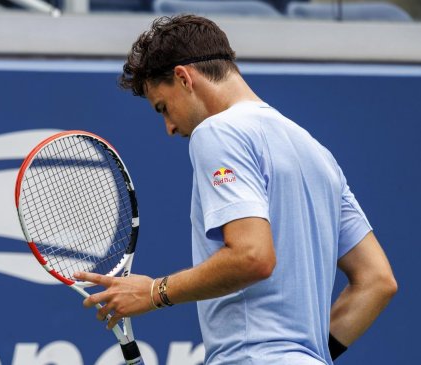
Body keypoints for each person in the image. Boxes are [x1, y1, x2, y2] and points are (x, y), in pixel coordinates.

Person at [73, 14, 397, 365]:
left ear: (183, 78)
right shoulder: (318, 154)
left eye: (163, 108)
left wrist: (154, 292)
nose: (168, 127)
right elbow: (377, 281)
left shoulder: (218, 131)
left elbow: (252, 256)